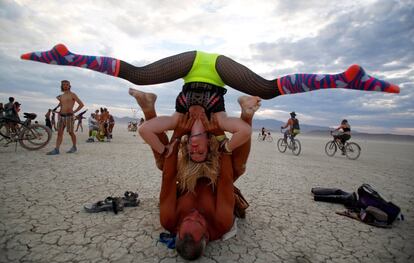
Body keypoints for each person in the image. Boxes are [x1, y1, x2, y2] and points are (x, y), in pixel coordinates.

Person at [130, 89, 259, 260]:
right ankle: (247, 113)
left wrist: (177, 135)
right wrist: (220, 137)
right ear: (206, 235)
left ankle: (148, 107)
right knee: (239, 168)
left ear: (177, 231)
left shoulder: (168, 219)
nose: (195, 214)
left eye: (187, 219)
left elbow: (168, 177)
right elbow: (226, 179)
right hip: (216, 179)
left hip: (188, 175)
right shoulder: (222, 222)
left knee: (162, 164)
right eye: (198, 221)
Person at [21, 44, 399, 101]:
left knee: (138, 76)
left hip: (195, 63)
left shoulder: (184, 120)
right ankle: (343, 79)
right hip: (214, 65)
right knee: (266, 90)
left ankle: (69, 57)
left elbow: (156, 129)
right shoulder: (217, 123)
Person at [133, 87, 253, 156]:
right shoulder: (216, 122)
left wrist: (164, 151)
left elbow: (144, 130)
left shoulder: (178, 120)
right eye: (201, 152)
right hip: (212, 101)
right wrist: (226, 147)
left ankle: (147, 102)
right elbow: (246, 131)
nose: (195, 150)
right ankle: (245, 108)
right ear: (208, 144)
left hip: (185, 100)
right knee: (236, 125)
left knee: (145, 128)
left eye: (191, 153)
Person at [46, 80, 84, 155]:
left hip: (69, 116)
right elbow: (61, 105)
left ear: (69, 86)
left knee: (71, 132)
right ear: (62, 86)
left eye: (67, 84)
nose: (65, 86)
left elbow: (81, 104)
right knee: (59, 133)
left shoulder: (73, 94)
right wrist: (55, 110)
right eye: (64, 85)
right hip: (61, 116)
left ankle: (74, 147)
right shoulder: (62, 96)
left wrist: (74, 111)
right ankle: (56, 149)